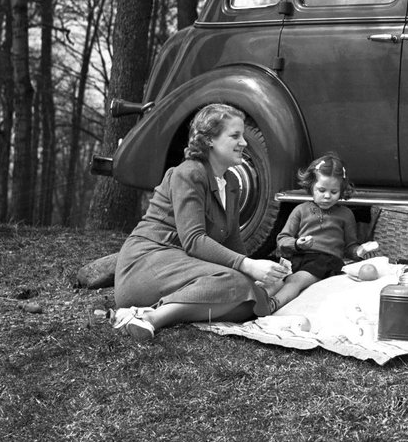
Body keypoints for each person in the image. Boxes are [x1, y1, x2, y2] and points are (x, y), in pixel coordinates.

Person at [110, 103, 290, 342]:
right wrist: (246, 266)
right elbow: (194, 241)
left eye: (243, 136)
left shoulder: (232, 184)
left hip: (183, 266)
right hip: (147, 262)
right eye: (235, 136)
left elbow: (233, 240)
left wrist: (258, 276)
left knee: (252, 302)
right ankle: (150, 318)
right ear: (210, 141)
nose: (244, 143)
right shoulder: (189, 173)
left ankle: (157, 311)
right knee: (236, 283)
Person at [270, 152, 375, 309]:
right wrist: (297, 244)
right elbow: (282, 240)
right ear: (311, 185)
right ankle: (254, 300)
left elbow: (349, 247)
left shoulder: (346, 214)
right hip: (298, 258)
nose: (327, 196)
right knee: (275, 279)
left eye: (334, 192)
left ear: (342, 190)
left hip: (326, 262)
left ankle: (272, 305)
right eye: (321, 190)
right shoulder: (300, 210)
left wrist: (359, 251)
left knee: (296, 280)